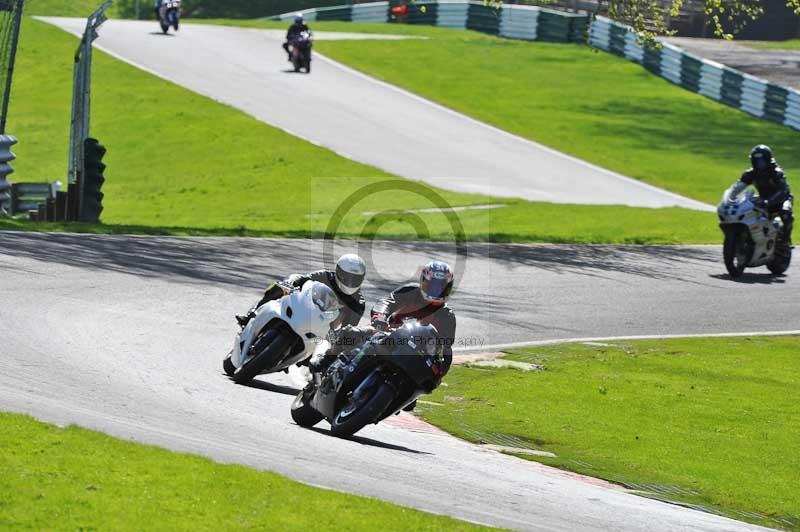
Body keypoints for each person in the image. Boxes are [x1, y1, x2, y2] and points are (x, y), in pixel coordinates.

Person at [316, 261, 456, 410]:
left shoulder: (447, 316)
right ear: (423, 282)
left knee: (413, 397)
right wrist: (380, 318)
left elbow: (445, 348)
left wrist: (439, 372)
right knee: (351, 333)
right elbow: (386, 302)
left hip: (415, 354)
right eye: (432, 286)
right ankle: (326, 361)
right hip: (389, 333)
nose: (436, 291)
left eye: (440, 288)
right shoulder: (410, 291)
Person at [236, 254, 367, 330]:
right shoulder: (325, 275)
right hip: (303, 308)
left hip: (322, 330)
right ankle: (250, 316)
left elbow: (348, 329)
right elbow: (302, 277)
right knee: (278, 287)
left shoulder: (358, 302)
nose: (350, 282)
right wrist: (290, 282)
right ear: (338, 272)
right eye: (347, 277)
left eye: (355, 279)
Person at [731, 145, 793, 247]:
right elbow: (738, 187)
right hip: (763, 198)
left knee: (786, 212)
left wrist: (769, 201)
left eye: (762, 161)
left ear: (768, 159)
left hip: (782, 199)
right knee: (745, 209)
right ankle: (748, 235)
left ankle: (785, 241)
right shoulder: (751, 173)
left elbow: (783, 190)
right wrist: (730, 198)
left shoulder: (776, 172)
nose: (760, 164)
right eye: (757, 161)